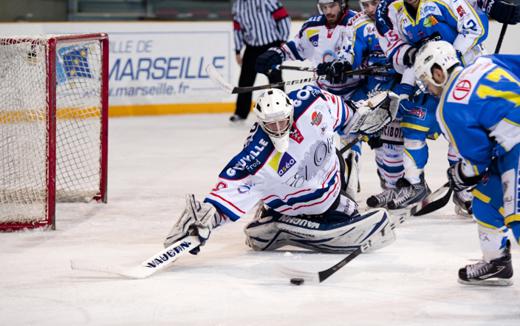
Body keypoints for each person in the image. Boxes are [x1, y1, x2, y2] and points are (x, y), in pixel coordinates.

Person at [164, 86, 400, 255]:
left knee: (347, 160)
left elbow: (347, 115)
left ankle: (279, 222)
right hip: (294, 201)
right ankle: (280, 217)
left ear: (290, 111)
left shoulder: (314, 102)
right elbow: (226, 195)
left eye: (282, 121)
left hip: (329, 186)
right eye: (270, 124)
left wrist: (364, 116)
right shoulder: (256, 157)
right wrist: (205, 221)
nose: (278, 129)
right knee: (346, 213)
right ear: (260, 121)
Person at [414, 40, 520, 285]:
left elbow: (477, 161)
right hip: (508, 151)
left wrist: (461, 174)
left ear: (438, 72)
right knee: (485, 198)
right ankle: (497, 263)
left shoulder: (448, 107)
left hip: (516, 148)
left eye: (426, 80)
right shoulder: (486, 62)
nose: (428, 88)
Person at [371, 0, 490, 213]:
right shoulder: (398, 14)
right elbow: (411, 58)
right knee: (413, 125)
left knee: (459, 130)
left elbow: (477, 26)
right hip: (430, 83)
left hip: (462, 78)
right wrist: (405, 90)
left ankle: (465, 188)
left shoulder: (445, 2)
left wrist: (449, 57)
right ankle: (414, 184)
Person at [230, 0, 291, 123]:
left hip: (270, 45)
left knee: (275, 80)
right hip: (251, 47)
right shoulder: (237, 4)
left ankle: (282, 111)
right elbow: (237, 28)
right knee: (245, 81)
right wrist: (237, 50)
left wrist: (283, 40)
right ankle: (241, 113)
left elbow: (283, 17)